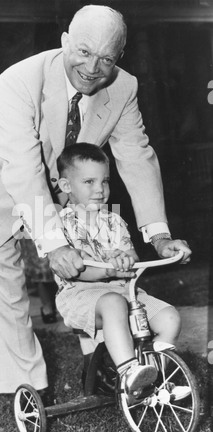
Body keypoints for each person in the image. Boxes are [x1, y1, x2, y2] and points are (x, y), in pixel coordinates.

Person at [0, 5, 191, 396]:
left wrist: (159, 235)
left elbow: (136, 155)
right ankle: (27, 388)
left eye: (107, 58)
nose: (93, 67)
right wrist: (54, 243)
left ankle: (111, 370)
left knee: (95, 269)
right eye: (84, 52)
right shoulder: (21, 79)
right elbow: (23, 168)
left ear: (119, 57)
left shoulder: (124, 87)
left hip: (59, 190)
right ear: (64, 43)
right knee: (9, 290)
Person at [55, 142, 190, 401]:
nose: (99, 190)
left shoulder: (114, 220)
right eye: (89, 182)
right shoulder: (59, 225)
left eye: (104, 181)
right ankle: (129, 374)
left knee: (169, 318)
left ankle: (154, 380)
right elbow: (77, 272)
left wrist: (125, 260)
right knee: (114, 304)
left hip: (123, 290)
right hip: (80, 295)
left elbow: (131, 257)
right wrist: (110, 271)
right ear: (66, 186)